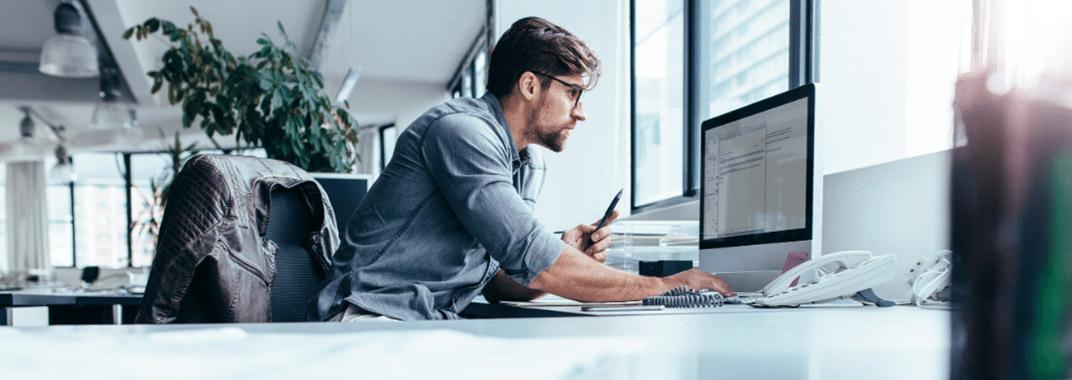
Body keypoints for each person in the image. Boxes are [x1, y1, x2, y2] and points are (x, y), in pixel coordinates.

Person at [311, 16, 732, 322]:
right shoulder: (461, 134)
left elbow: (496, 283)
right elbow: (537, 259)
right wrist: (664, 287)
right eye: (573, 93)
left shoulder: (528, 162)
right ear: (530, 85)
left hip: (426, 320)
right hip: (370, 316)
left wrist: (564, 255)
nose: (581, 113)